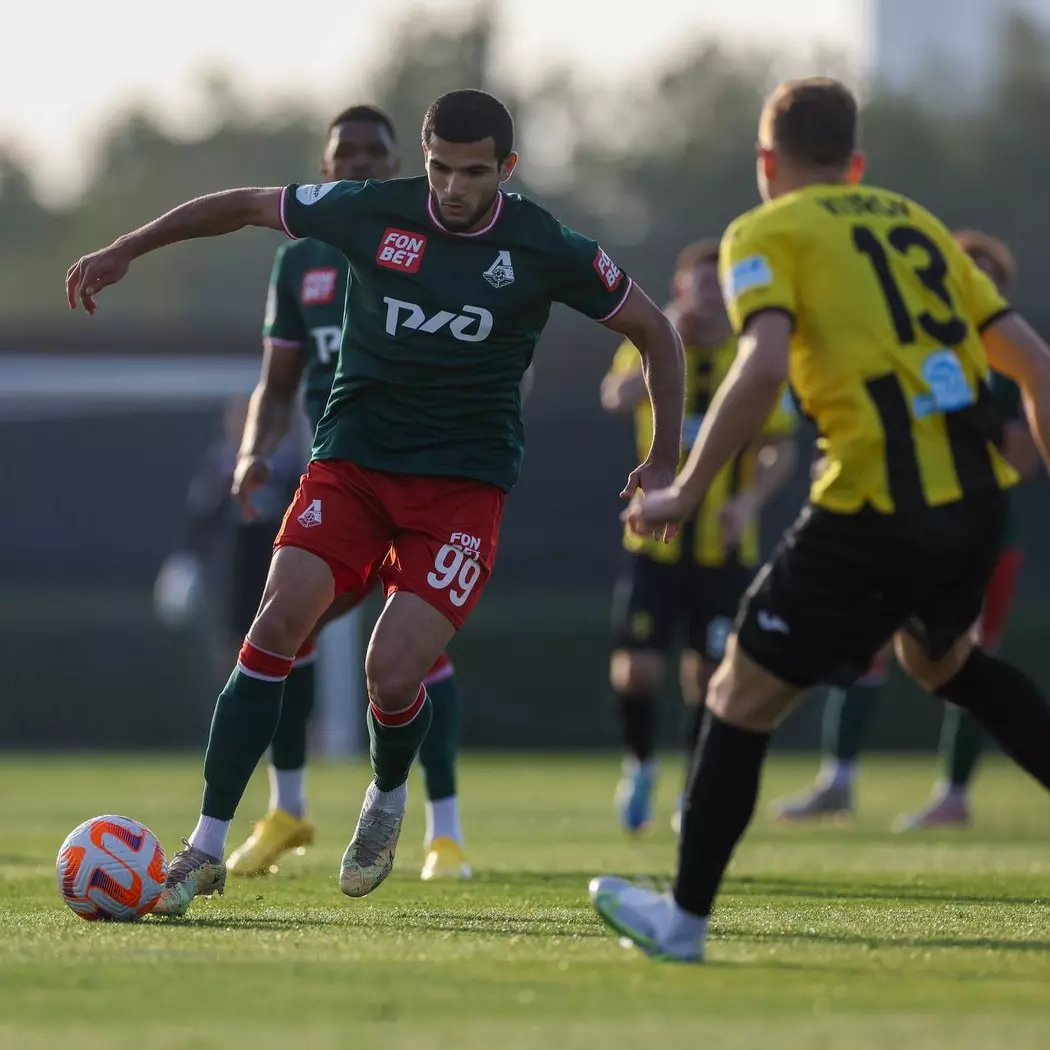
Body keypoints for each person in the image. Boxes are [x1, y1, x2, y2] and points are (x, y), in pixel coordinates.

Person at [66, 88, 685, 917]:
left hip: (462, 493)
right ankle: (205, 849)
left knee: (391, 675)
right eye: (440, 169)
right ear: (423, 159)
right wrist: (124, 249)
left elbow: (657, 333)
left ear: (507, 168)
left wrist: (664, 460)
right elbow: (244, 204)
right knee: (274, 627)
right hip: (351, 468)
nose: (453, 188)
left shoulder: (545, 245)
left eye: (474, 173)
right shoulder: (369, 212)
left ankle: (389, 795)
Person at [588, 77, 1050, 963]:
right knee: (945, 661)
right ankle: (682, 912)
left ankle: (682, 921)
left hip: (871, 506)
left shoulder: (766, 230)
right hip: (974, 503)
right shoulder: (919, 225)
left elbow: (762, 366)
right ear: (856, 163)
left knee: (736, 694)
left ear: (767, 162)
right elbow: (1034, 367)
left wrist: (685, 487)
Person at [225, 104, 474, 882]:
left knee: (415, 654)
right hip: (342, 483)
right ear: (325, 168)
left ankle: (445, 833)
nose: (361, 162)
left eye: (376, 152)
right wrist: (254, 451)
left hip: (426, 482)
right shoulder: (299, 263)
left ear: (398, 166)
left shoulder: (433, 242)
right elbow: (277, 383)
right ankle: (287, 809)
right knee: (284, 632)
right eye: (347, 152)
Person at [772, 229, 1040, 830]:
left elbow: (1021, 457)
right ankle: (837, 780)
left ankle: (954, 794)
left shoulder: (1003, 367)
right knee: (863, 646)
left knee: (969, 659)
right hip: (899, 524)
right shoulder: (903, 348)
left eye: (983, 276)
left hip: (977, 535)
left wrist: (967, 454)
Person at [601, 240, 797, 833]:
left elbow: (781, 446)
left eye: (721, 287)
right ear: (682, 290)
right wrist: (662, 341)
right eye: (701, 286)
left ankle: (693, 791)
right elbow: (615, 398)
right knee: (636, 670)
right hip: (652, 544)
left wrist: (748, 500)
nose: (711, 297)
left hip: (724, 548)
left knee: (711, 678)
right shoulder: (653, 341)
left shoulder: (751, 356)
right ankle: (640, 767)